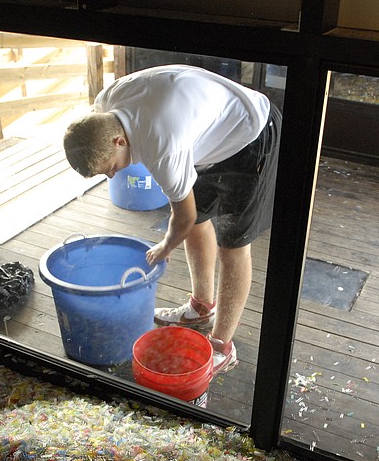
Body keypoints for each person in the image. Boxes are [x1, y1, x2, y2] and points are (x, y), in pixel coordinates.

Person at [63, 64, 281, 376]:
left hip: (252, 132)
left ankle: (222, 346)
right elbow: (191, 218)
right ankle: (201, 308)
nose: (113, 174)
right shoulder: (106, 103)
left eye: (111, 167)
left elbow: (183, 215)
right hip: (205, 134)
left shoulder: (162, 148)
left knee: (233, 245)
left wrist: (164, 246)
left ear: (119, 142)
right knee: (197, 222)